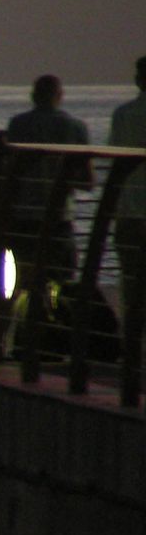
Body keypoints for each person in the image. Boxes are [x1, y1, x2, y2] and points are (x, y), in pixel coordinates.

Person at [4, 74, 92, 281]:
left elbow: (10, 173)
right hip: (60, 217)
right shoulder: (76, 127)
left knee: (25, 277)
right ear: (59, 96)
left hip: (25, 217)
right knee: (63, 277)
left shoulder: (18, 125)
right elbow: (88, 181)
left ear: (33, 96)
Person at [111, 56, 146, 383]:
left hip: (129, 213)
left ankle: (131, 353)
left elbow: (113, 161)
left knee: (131, 285)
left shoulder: (123, 115)